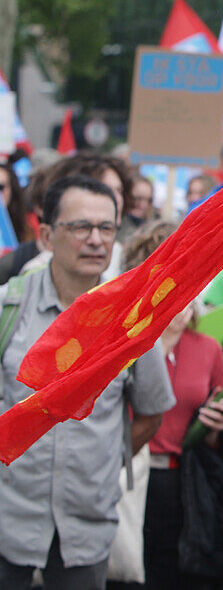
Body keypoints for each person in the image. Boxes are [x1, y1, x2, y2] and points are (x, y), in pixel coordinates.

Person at [0, 176, 174, 590]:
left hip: (86, 534)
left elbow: (151, 412)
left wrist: (104, 461)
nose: (96, 240)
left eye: (107, 228)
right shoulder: (9, 307)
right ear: (45, 235)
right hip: (8, 524)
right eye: (80, 227)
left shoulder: (132, 321)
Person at [121, 221, 223, 590]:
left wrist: (217, 428)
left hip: (180, 485)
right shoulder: (123, 343)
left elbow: (220, 444)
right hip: (125, 478)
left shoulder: (208, 348)